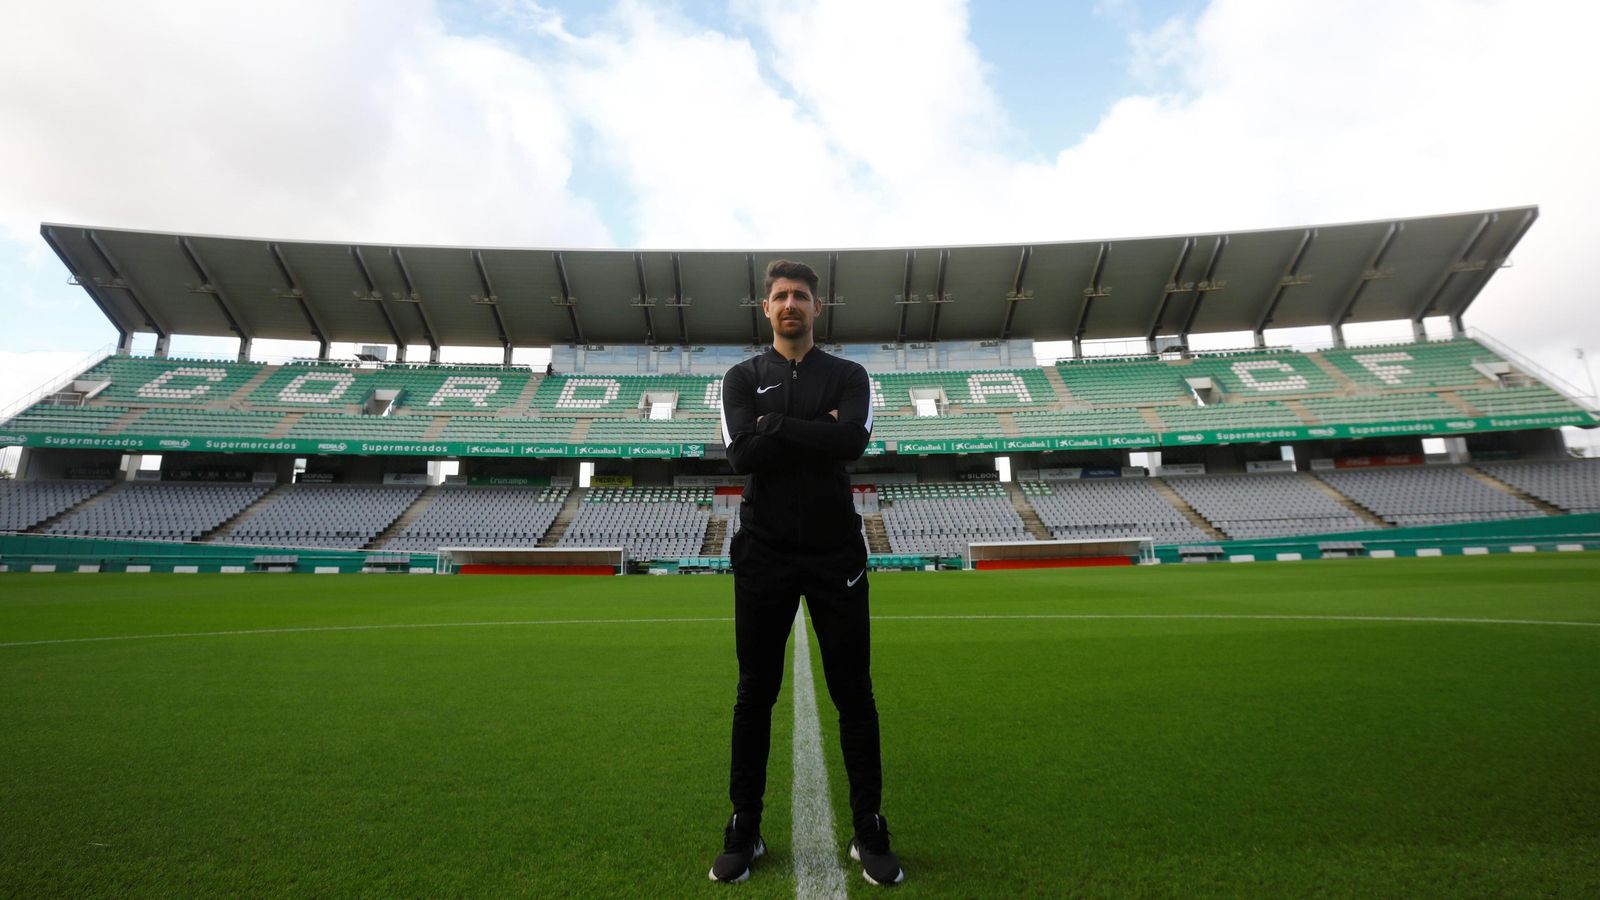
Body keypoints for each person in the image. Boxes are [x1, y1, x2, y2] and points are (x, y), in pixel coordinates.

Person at [708, 259, 904, 886]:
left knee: (855, 692)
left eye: (801, 296)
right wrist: (812, 430)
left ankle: (869, 824)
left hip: (835, 555)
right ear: (765, 309)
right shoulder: (741, 378)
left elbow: (852, 444)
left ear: (818, 308)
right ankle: (744, 824)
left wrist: (777, 429)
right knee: (753, 693)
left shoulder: (850, 374)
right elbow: (742, 454)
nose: (790, 303)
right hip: (763, 553)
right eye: (780, 296)